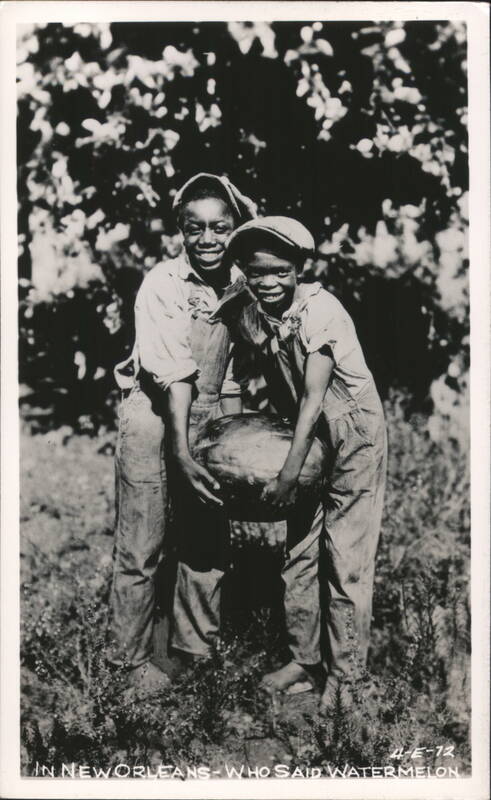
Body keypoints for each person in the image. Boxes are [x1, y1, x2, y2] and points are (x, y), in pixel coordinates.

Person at [223, 216, 387, 711]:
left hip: (351, 432)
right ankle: (304, 659)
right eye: (257, 273)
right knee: (299, 556)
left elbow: (314, 397)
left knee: (345, 560)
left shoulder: (321, 311)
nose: (268, 282)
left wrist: (287, 474)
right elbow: (240, 370)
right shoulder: (254, 309)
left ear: (299, 268)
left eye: (280, 271)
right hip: (309, 436)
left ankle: (347, 677)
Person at [110, 173, 257, 693]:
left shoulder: (244, 284)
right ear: (180, 232)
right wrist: (181, 451)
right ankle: (127, 666)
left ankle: (197, 652)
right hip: (155, 417)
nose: (208, 239)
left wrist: (232, 440)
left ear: (236, 228)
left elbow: (235, 371)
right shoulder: (162, 284)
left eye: (220, 227)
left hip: (210, 416)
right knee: (141, 543)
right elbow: (172, 376)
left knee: (206, 539)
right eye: (194, 229)